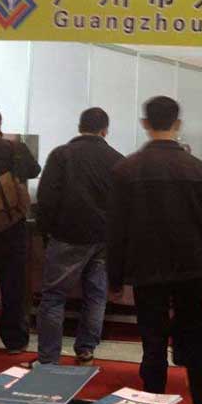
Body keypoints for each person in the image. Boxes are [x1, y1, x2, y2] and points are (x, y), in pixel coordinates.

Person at [107, 96, 202, 404]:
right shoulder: (201, 171)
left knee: (153, 340)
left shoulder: (125, 171)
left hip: (147, 269)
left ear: (145, 124)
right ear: (178, 124)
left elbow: (116, 230)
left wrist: (115, 276)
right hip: (191, 269)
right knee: (195, 340)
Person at [35, 108, 124, 366]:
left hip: (67, 234)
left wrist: (45, 231)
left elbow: (46, 197)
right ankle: (86, 349)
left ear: (79, 127)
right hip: (103, 238)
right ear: (105, 130)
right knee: (96, 294)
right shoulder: (117, 159)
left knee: (54, 296)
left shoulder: (61, 155)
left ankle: (48, 358)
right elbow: (122, 204)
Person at [0, 102, 40, 356]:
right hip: (12, 227)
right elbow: (34, 170)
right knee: (14, 286)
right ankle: (15, 340)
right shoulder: (15, 148)